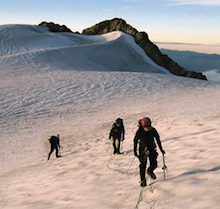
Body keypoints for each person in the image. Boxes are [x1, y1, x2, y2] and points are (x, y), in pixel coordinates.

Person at [133, 117, 165, 187]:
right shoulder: (140, 131)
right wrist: (135, 151)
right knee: (143, 165)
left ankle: (150, 170)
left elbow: (157, 139)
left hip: (152, 148)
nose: (147, 128)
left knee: (154, 164)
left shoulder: (153, 130)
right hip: (142, 149)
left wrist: (161, 149)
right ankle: (143, 180)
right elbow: (135, 141)